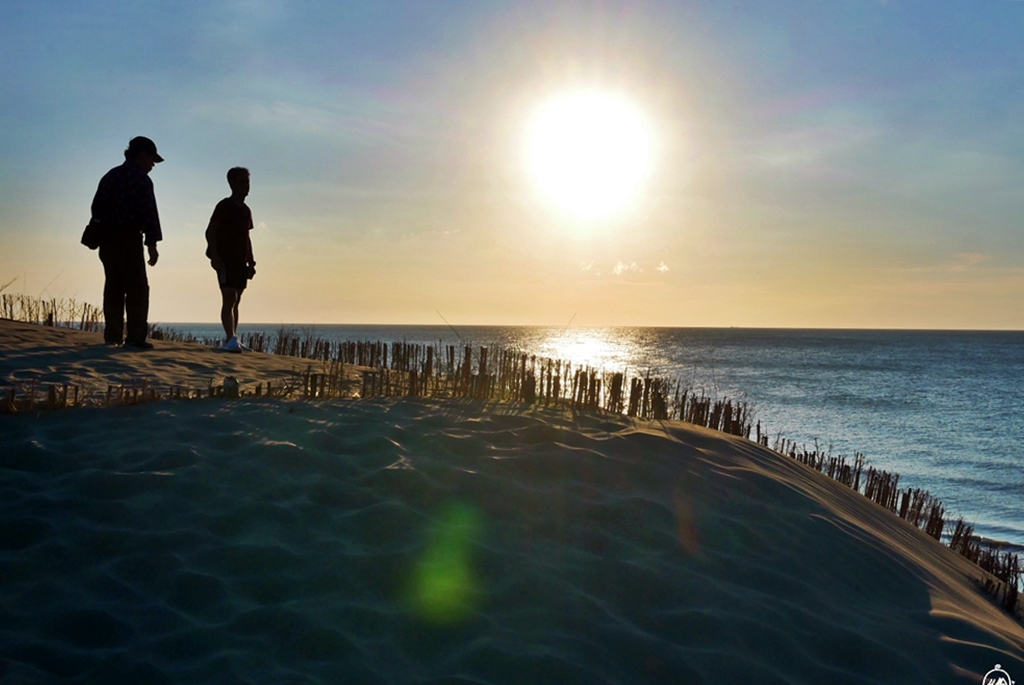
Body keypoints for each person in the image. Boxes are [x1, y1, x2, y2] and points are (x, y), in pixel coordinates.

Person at [90, 136, 164, 349]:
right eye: (151, 159)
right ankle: (135, 337)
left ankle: (112, 335)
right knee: (137, 289)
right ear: (141, 156)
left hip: (106, 240)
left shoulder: (110, 176)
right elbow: (148, 214)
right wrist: (152, 244)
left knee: (113, 286)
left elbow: (96, 208)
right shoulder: (141, 179)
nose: (152, 165)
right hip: (128, 239)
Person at [205, 167, 256, 352]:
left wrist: (251, 260)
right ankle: (230, 337)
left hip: (240, 261)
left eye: (247, 182)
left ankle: (234, 336)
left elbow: (246, 237)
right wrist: (215, 256)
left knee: (237, 298)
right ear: (232, 184)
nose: (245, 186)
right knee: (229, 297)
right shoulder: (224, 206)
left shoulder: (246, 211)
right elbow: (211, 231)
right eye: (241, 182)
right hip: (225, 259)